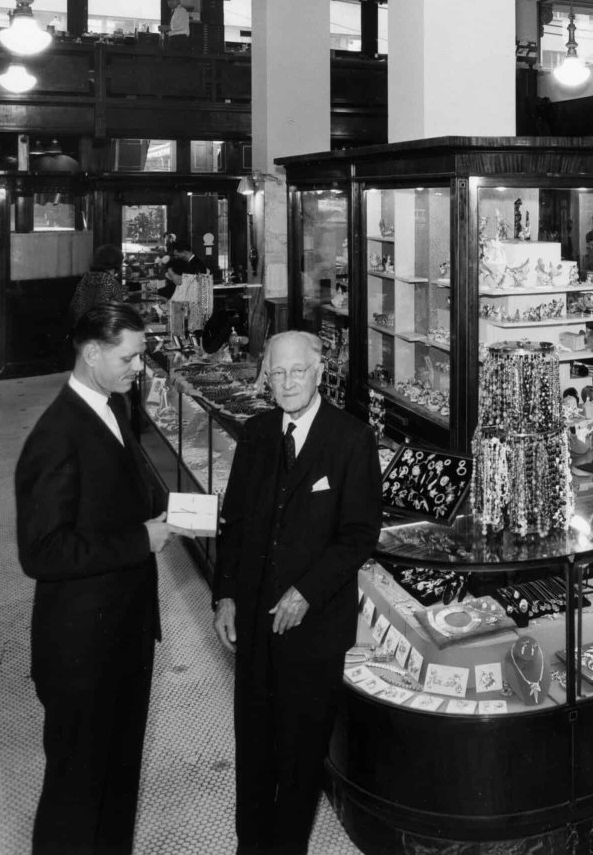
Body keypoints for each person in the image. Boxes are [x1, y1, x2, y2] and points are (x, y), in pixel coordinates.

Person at [213, 330, 382, 855]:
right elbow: (235, 522)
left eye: (297, 372)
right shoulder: (257, 433)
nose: (287, 383)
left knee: (301, 753)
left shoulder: (351, 440)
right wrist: (225, 595)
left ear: (319, 373)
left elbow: (359, 534)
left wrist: (306, 592)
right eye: (277, 373)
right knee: (253, 745)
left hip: (314, 631)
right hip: (254, 623)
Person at [15, 302, 175, 855]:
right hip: (82, 652)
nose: (139, 367)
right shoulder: (55, 435)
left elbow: (119, 494)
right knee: (76, 792)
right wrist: (139, 540)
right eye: (129, 357)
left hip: (124, 634)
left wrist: (171, 512)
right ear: (91, 353)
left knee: (119, 775)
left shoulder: (113, 405)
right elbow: (41, 552)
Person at [69, 244, 127, 326]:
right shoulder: (111, 282)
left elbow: (75, 307)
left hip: (82, 328)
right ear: (117, 262)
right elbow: (119, 313)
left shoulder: (86, 278)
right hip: (102, 330)